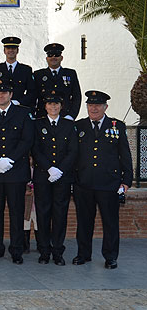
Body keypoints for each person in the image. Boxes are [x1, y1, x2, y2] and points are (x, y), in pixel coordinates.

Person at [72, 90, 132, 270]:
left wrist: (126, 181)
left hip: (109, 184)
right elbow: (73, 155)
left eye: (98, 105)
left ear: (105, 107)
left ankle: (111, 256)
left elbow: (125, 156)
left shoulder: (117, 126)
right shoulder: (79, 126)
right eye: (91, 105)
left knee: (110, 222)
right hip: (84, 183)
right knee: (84, 222)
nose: (94, 108)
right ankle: (83, 254)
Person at [0, 76, 35, 264]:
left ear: (11, 94)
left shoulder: (22, 114)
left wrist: (10, 159)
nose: (0, 95)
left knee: (16, 212)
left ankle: (16, 249)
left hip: (16, 170)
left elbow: (27, 140)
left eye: (4, 92)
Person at [30, 91, 77, 265]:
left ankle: (57, 250)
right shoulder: (37, 124)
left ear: (61, 106)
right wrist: (49, 168)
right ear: (45, 106)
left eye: (56, 104)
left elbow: (73, 151)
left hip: (62, 177)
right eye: (50, 104)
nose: (53, 107)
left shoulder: (69, 125)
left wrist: (59, 170)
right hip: (43, 176)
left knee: (60, 214)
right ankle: (44, 251)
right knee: (43, 213)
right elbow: (35, 149)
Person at [33, 43, 82, 120]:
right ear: (46, 58)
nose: (53, 57)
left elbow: (77, 97)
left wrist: (71, 116)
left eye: (56, 55)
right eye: (50, 55)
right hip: (43, 118)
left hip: (64, 117)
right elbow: (33, 96)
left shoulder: (70, 73)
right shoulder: (38, 74)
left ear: (61, 57)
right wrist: (33, 115)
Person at [0, 37, 36, 108]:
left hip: (19, 107)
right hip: (0, 107)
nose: (11, 50)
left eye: (13, 48)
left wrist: (19, 102)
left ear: (17, 50)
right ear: (4, 51)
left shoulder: (26, 70)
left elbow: (31, 92)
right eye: (8, 48)